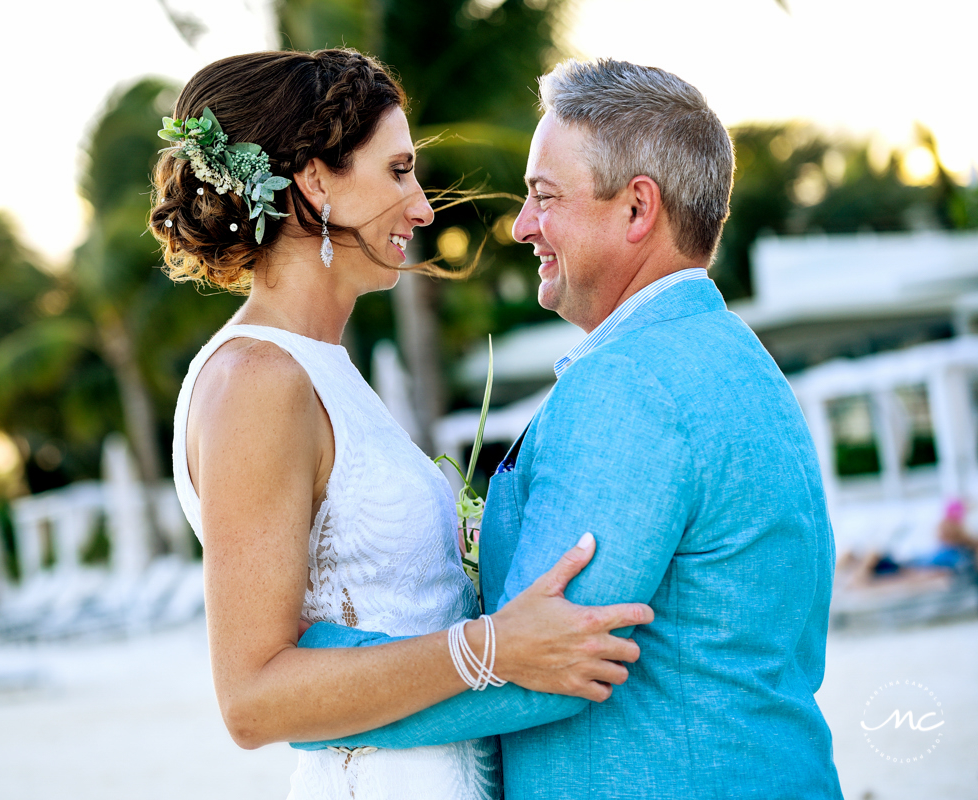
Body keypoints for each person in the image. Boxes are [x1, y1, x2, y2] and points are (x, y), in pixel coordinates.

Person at [296, 58, 845, 799]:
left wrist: (312, 688)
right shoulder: (732, 359)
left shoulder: (633, 384)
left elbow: (546, 669)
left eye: (543, 197)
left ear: (636, 210)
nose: (523, 226)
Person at [156, 50, 654, 800]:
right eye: (397, 172)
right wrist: (494, 648)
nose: (423, 207)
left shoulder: (322, 369)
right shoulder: (256, 383)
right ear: (316, 181)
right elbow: (253, 697)